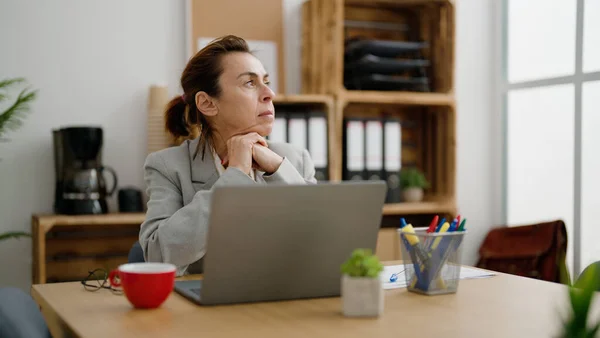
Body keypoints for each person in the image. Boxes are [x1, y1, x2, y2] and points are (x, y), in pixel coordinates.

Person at [139, 35, 317, 276]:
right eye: (250, 83)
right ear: (207, 103)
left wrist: (278, 170)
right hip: (206, 307)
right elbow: (157, 256)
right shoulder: (168, 166)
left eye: (266, 81)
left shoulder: (293, 159)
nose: (270, 93)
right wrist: (233, 178)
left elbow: (321, 240)